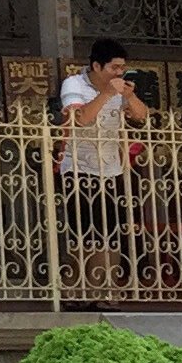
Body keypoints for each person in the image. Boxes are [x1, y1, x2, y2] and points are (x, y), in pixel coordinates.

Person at [59, 38, 148, 295]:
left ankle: (106, 290)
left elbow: (141, 117)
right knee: (85, 233)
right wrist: (106, 93)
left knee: (111, 234)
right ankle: (77, 290)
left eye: (122, 68)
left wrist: (129, 97)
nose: (119, 73)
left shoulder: (121, 91)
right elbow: (80, 119)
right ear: (97, 66)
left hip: (111, 170)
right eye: (114, 68)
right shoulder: (74, 84)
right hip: (79, 169)